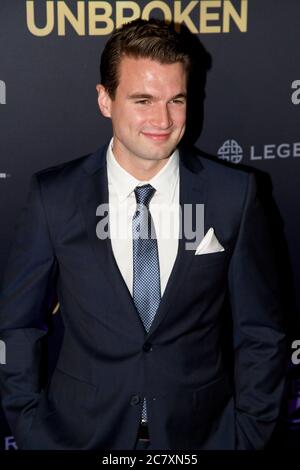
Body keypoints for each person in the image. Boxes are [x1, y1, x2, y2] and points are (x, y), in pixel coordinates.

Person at [0, 18, 287, 450]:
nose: (163, 119)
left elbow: (262, 331)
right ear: (105, 99)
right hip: (80, 437)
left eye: (176, 99)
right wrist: (31, 428)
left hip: (202, 437)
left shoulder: (235, 194)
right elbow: (18, 326)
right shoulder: (54, 196)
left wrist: (245, 435)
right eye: (143, 100)